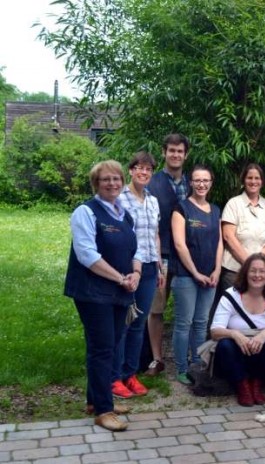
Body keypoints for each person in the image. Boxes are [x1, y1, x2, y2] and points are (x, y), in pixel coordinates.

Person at [64, 160, 142, 431]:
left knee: (108, 345)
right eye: (106, 179)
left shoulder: (125, 214)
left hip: (120, 290)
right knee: (102, 347)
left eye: (116, 179)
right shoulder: (86, 212)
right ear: (96, 184)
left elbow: (137, 250)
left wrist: (136, 274)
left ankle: (96, 399)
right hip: (93, 292)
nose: (112, 183)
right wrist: (121, 278)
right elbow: (87, 255)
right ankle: (104, 411)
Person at [112, 152, 163, 400]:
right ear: (130, 170)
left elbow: (155, 235)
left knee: (139, 323)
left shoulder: (152, 201)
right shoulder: (119, 198)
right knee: (123, 323)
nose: (144, 173)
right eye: (139, 168)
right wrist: (130, 270)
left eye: (148, 169)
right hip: (128, 269)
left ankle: (130, 373)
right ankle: (114, 377)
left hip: (151, 268)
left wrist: (160, 265)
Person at [210, 253, 265, 406]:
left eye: (262, 271)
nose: (257, 275)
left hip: (258, 349)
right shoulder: (230, 295)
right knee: (225, 345)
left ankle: (257, 384)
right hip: (237, 349)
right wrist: (234, 334)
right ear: (245, 272)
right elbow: (215, 331)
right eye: (253, 271)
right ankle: (243, 385)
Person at [170, 165, 223, 385]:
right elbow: (180, 245)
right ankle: (182, 368)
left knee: (202, 322)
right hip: (186, 276)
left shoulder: (216, 210)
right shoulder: (181, 209)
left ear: (211, 183)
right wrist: (195, 273)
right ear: (190, 182)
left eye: (206, 180)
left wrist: (217, 270)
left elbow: (220, 242)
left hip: (210, 277)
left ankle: (197, 364)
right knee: (184, 322)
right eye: (197, 180)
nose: (202, 184)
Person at [144, 133, 190, 377]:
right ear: (164, 152)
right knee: (157, 308)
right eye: (171, 150)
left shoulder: (193, 183)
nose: (175, 155)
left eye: (180, 151)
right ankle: (156, 358)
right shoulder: (152, 184)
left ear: (186, 154)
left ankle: (187, 358)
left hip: (186, 255)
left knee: (186, 311)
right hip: (161, 254)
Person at [219, 163, 265, 299]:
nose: (253, 181)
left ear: (262, 181)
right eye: (249, 178)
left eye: (257, 178)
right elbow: (228, 236)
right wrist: (250, 263)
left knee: (257, 313)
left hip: (261, 272)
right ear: (243, 180)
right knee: (234, 313)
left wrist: (258, 263)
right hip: (235, 271)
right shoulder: (233, 204)